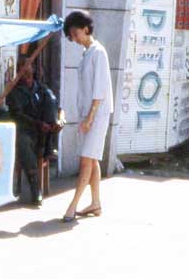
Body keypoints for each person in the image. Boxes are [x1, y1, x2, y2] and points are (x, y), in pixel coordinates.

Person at [61, 11, 114, 222]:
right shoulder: (87, 53)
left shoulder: (98, 52)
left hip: (96, 115)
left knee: (86, 160)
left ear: (86, 28)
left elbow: (99, 91)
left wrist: (90, 118)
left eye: (75, 33)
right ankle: (95, 202)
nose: (74, 38)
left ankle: (72, 206)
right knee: (91, 159)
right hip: (89, 114)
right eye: (71, 35)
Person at [6, 57, 62, 204]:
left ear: (34, 69)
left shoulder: (42, 88)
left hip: (45, 133)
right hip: (27, 131)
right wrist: (38, 124)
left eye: (27, 65)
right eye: (21, 67)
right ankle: (35, 188)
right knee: (23, 142)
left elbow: (58, 107)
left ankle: (50, 147)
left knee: (50, 101)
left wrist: (58, 120)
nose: (24, 69)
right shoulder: (14, 92)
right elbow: (17, 115)